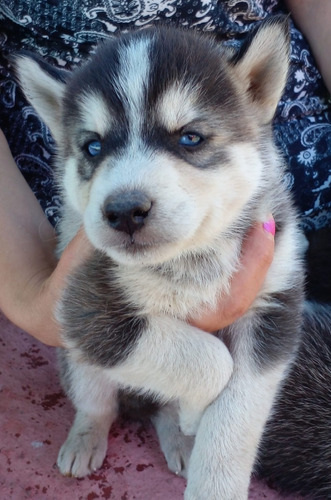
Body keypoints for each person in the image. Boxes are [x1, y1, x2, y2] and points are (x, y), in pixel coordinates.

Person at [0, 0, 330, 347]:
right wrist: (29, 293)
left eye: (190, 138)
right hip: (41, 237)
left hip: (299, 188)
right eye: (94, 147)